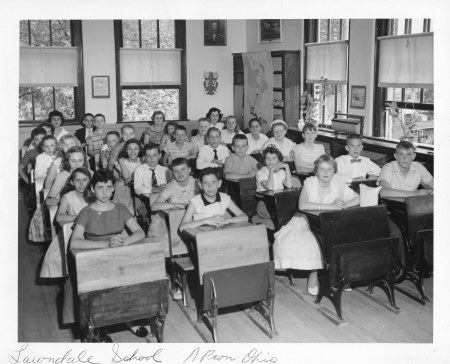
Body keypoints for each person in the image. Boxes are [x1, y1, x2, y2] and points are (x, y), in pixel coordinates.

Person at [67, 170, 146, 341]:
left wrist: (123, 242)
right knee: (100, 288)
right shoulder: (86, 212)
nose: (104, 191)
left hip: (117, 254)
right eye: (100, 187)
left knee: (129, 282)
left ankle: (128, 319)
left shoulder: (120, 208)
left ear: (113, 189)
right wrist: (104, 244)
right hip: (94, 257)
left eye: (108, 187)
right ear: (93, 190)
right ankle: (100, 326)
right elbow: (74, 242)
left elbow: (140, 233)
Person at [274, 154, 359, 295]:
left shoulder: (338, 183)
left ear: (334, 171)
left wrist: (345, 204)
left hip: (330, 222)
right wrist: (332, 206)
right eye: (321, 169)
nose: (325, 173)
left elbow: (358, 198)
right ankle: (313, 275)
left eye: (329, 169)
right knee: (313, 243)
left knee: (347, 237)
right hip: (306, 220)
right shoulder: (310, 182)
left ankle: (342, 276)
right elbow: (302, 205)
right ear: (316, 171)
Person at [150, 157, 200, 301]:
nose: (180, 174)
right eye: (176, 171)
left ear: (190, 169)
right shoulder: (171, 186)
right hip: (172, 223)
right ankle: (176, 283)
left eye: (183, 169)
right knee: (173, 248)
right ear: (172, 173)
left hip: (194, 221)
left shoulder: (197, 182)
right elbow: (155, 206)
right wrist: (173, 205)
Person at [40, 167, 91, 278]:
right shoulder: (67, 197)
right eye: (78, 180)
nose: (81, 184)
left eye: (85, 180)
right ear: (72, 182)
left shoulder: (93, 195)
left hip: (92, 230)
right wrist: (80, 217)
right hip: (73, 231)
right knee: (55, 259)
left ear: (90, 181)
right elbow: (59, 217)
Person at [179, 167, 248, 231]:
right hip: (202, 237)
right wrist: (205, 220)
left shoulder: (225, 198)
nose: (210, 186)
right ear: (200, 185)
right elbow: (182, 226)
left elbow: (244, 217)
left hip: (220, 234)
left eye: (213, 182)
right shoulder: (195, 201)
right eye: (206, 183)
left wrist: (228, 220)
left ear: (219, 183)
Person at [252, 146, 293, 230]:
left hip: (278, 202)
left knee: (290, 213)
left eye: (274, 158)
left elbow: (289, 185)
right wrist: (271, 171)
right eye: (268, 158)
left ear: (278, 160)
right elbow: (269, 187)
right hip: (265, 203)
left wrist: (287, 168)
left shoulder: (281, 172)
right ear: (264, 160)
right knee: (284, 216)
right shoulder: (261, 173)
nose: (271, 161)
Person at [113, 138, 142, 214]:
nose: (133, 151)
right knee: (125, 213)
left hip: (138, 190)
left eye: (136, 149)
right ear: (126, 150)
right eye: (130, 149)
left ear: (139, 150)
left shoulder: (141, 161)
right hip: (125, 191)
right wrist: (121, 162)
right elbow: (127, 178)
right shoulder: (122, 162)